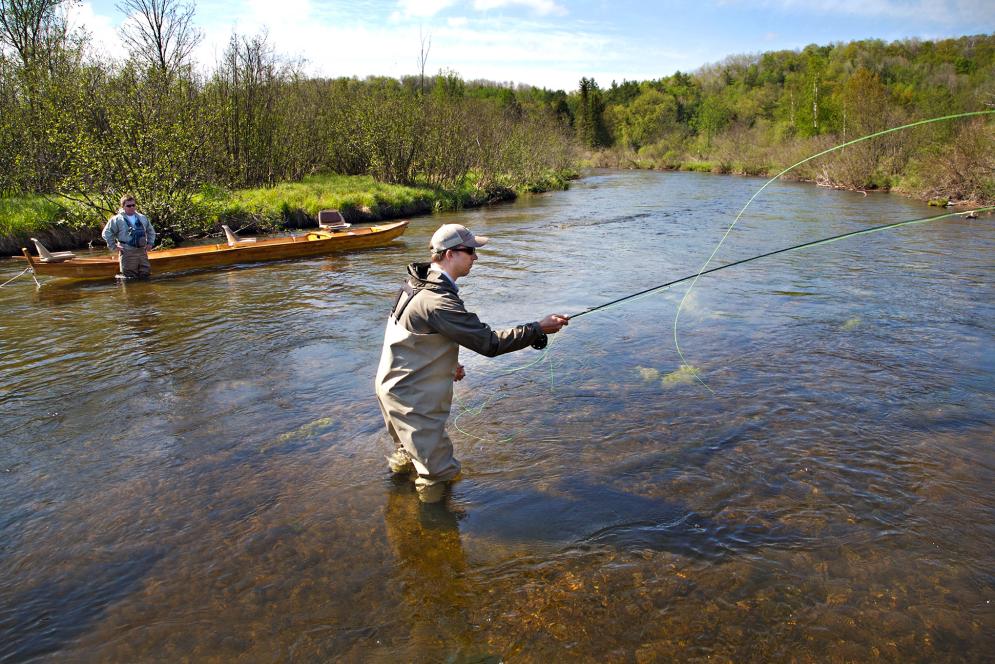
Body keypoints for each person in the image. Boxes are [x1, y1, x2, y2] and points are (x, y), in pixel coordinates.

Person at [375, 223, 568, 503]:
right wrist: (538, 328)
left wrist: (445, 363)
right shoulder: (438, 301)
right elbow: (489, 343)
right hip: (411, 399)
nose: (476, 257)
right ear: (451, 254)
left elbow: (419, 333)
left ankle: (399, 503)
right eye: (471, 251)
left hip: (391, 387)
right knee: (438, 472)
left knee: (406, 453)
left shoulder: (420, 280)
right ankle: (436, 532)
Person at [102, 194, 155, 279]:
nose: (131, 207)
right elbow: (106, 233)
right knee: (130, 278)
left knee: (146, 275)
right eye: (128, 206)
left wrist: (150, 243)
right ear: (123, 206)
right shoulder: (117, 219)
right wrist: (113, 246)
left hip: (142, 252)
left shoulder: (142, 217)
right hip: (127, 252)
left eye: (133, 205)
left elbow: (151, 231)